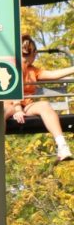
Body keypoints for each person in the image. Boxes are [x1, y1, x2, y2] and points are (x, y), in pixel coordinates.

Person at [4, 34, 74, 163]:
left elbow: (53, 75)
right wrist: (17, 108)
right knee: (3, 112)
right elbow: (12, 87)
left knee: (44, 105)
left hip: (26, 106)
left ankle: (62, 146)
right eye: (36, 54)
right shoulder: (12, 65)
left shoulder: (33, 70)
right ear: (33, 52)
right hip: (10, 104)